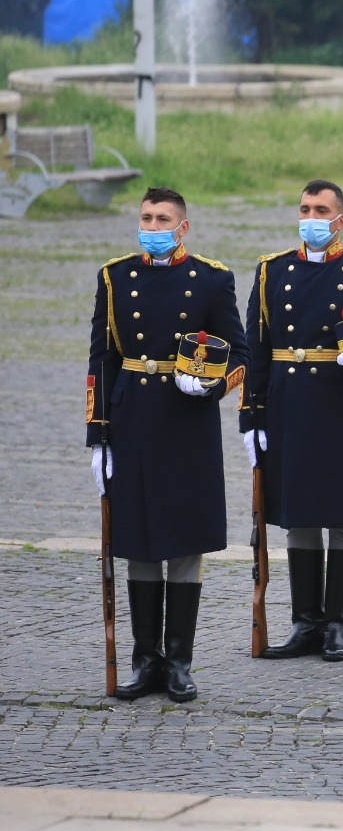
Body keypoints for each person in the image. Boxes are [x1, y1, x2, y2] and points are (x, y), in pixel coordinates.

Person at [87, 187, 248, 702]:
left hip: (186, 420)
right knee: (137, 543)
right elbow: (101, 359)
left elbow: (240, 352)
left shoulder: (210, 277)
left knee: (182, 541)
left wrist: (213, 386)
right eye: (145, 217)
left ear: (183, 227)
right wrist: (98, 435)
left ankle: (179, 660)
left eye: (161, 219)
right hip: (133, 416)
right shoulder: (114, 277)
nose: (151, 225)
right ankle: (144, 658)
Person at [242, 179, 343, 663]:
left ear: (341, 220)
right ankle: (305, 621)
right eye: (305, 208)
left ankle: (338, 625)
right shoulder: (272, 271)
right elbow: (256, 348)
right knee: (299, 516)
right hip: (291, 404)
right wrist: (253, 414)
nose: (312, 218)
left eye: (321, 210)